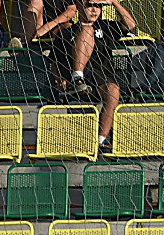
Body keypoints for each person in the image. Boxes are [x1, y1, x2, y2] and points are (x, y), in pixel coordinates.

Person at [57, 0, 137, 149]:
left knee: (113, 90)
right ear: (79, 6)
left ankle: (101, 140)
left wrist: (114, 2)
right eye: (89, 5)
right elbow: (55, 60)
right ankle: (77, 78)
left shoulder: (106, 27)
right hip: (76, 85)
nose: (94, 10)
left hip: (101, 80)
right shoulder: (67, 31)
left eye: (98, 6)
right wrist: (60, 79)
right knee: (87, 30)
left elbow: (131, 24)